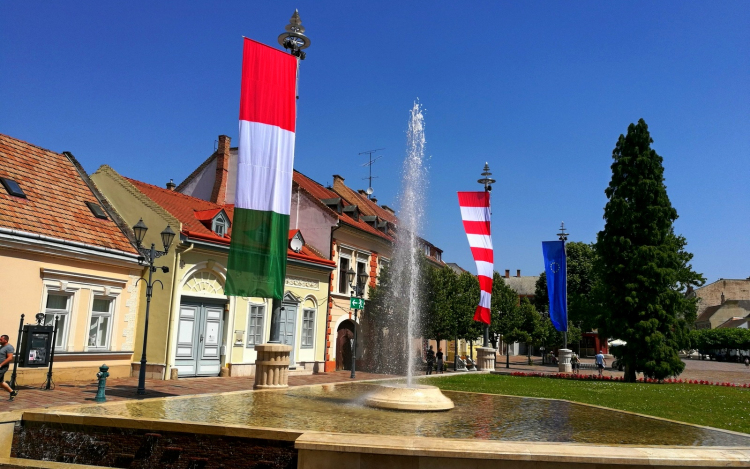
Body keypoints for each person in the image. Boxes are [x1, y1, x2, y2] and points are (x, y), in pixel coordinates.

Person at [0, 335, 17, 401]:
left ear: (5, 340)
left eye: (1, 340)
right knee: (1, 382)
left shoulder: (9, 347)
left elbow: (10, 358)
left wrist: (1, 365)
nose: (0, 341)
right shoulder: (2, 347)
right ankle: (12, 392)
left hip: (3, 367)